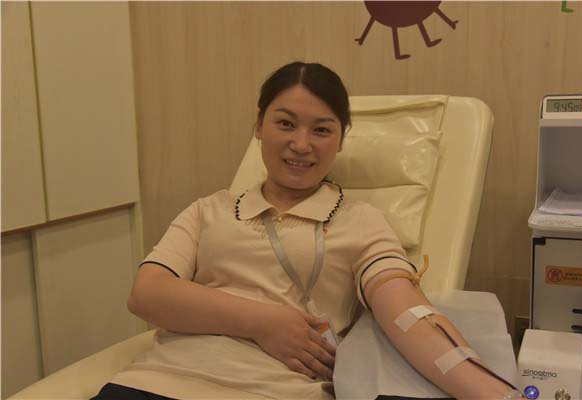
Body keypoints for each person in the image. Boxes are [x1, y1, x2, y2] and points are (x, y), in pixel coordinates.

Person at [92, 62, 522, 400]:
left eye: (321, 130)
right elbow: (146, 294)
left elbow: (407, 313)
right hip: (153, 383)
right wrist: (264, 322)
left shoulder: (361, 221)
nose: (302, 144)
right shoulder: (209, 211)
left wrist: (497, 395)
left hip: (273, 391)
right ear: (259, 126)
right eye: (285, 124)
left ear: (341, 139)